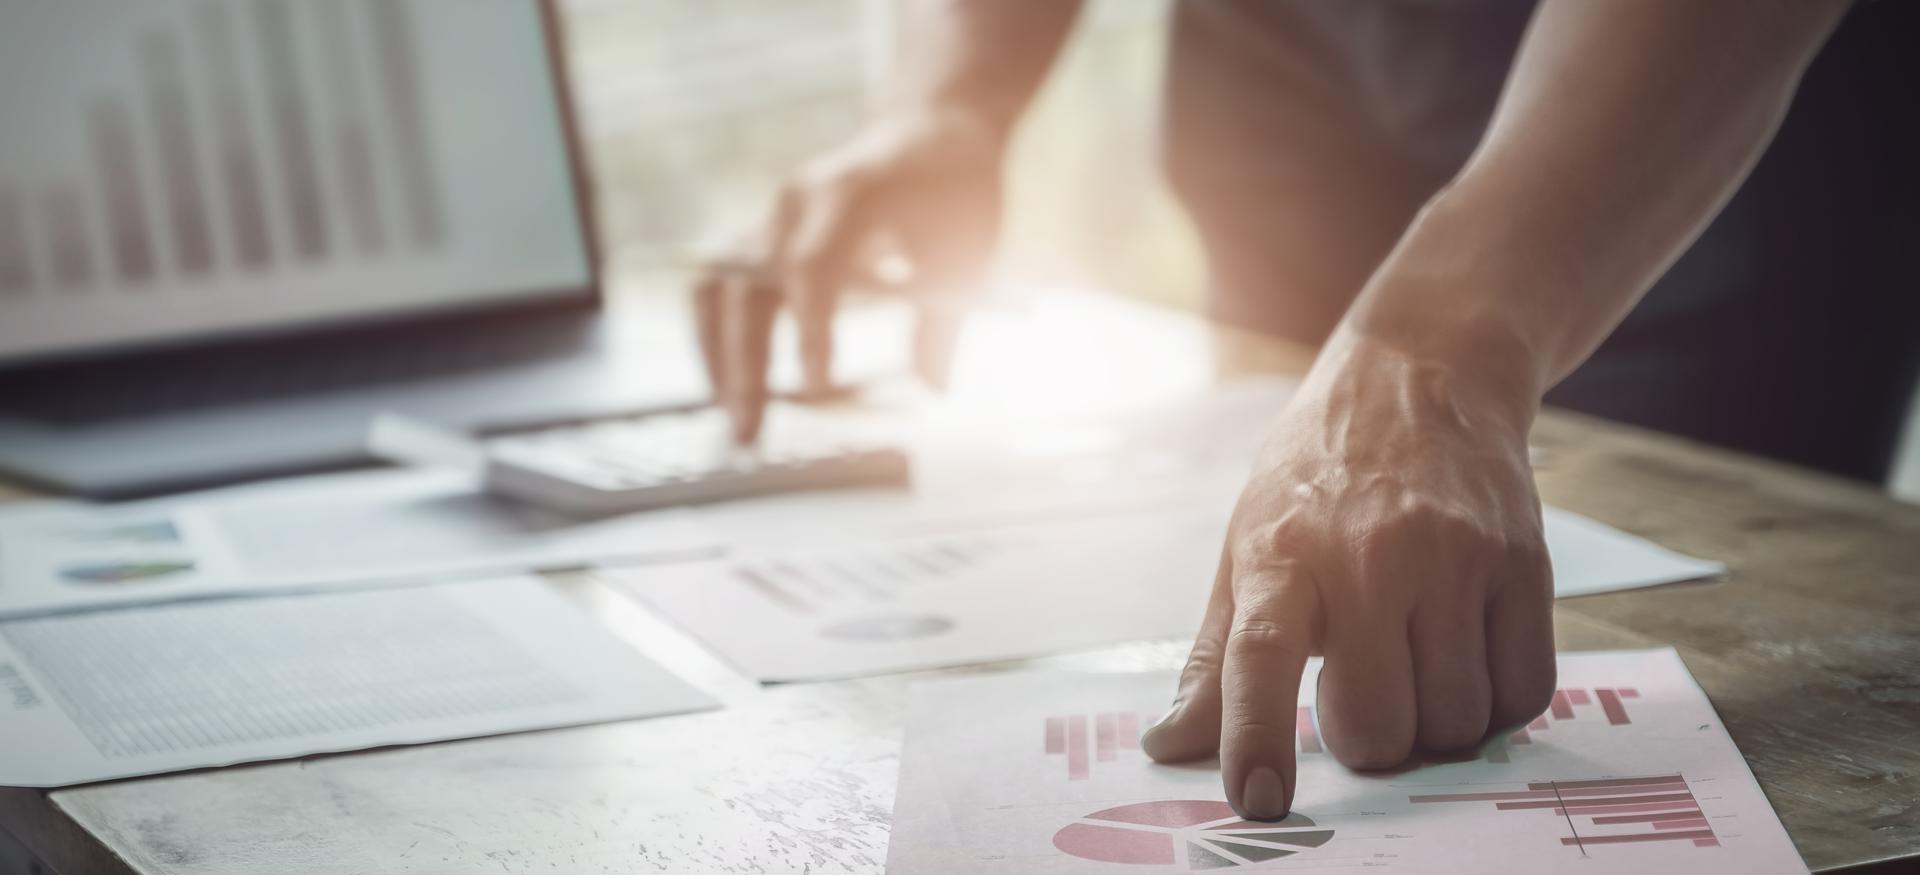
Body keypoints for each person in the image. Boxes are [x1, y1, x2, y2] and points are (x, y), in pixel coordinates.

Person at [701, 0, 1917, 821]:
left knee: (1694, 659)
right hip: (1277, 46)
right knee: (1310, 565)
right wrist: (953, 97)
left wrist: (1443, 344)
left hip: (1650, 61)